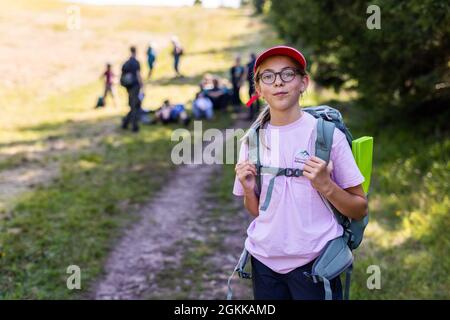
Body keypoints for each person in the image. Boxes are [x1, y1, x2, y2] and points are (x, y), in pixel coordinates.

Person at [233, 45, 368, 300]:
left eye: (288, 74)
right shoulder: (252, 141)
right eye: (268, 76)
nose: (279, 82)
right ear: (259, 89)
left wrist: (326, 185)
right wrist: (249, 190)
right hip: (264, 261)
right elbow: (256, 210)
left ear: (303, 82)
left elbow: (359, 208)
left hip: (315, 263)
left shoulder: (327, 136)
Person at [121, 46, 143, 133]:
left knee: (134, 105)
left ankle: (125, 123)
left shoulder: (127, 63)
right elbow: (138, 75)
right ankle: (134, 126)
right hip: (135, 87)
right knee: (135, 106)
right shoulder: (135, 63)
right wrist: (142, 85)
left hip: (128, 87)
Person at [246, 53, 259, 120]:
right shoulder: (257, 63)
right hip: (257, 83)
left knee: (251, 96)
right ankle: (257, 110)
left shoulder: (248, 64)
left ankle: (251, 113)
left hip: (251, 83)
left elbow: (246, 73)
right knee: (256, 96)